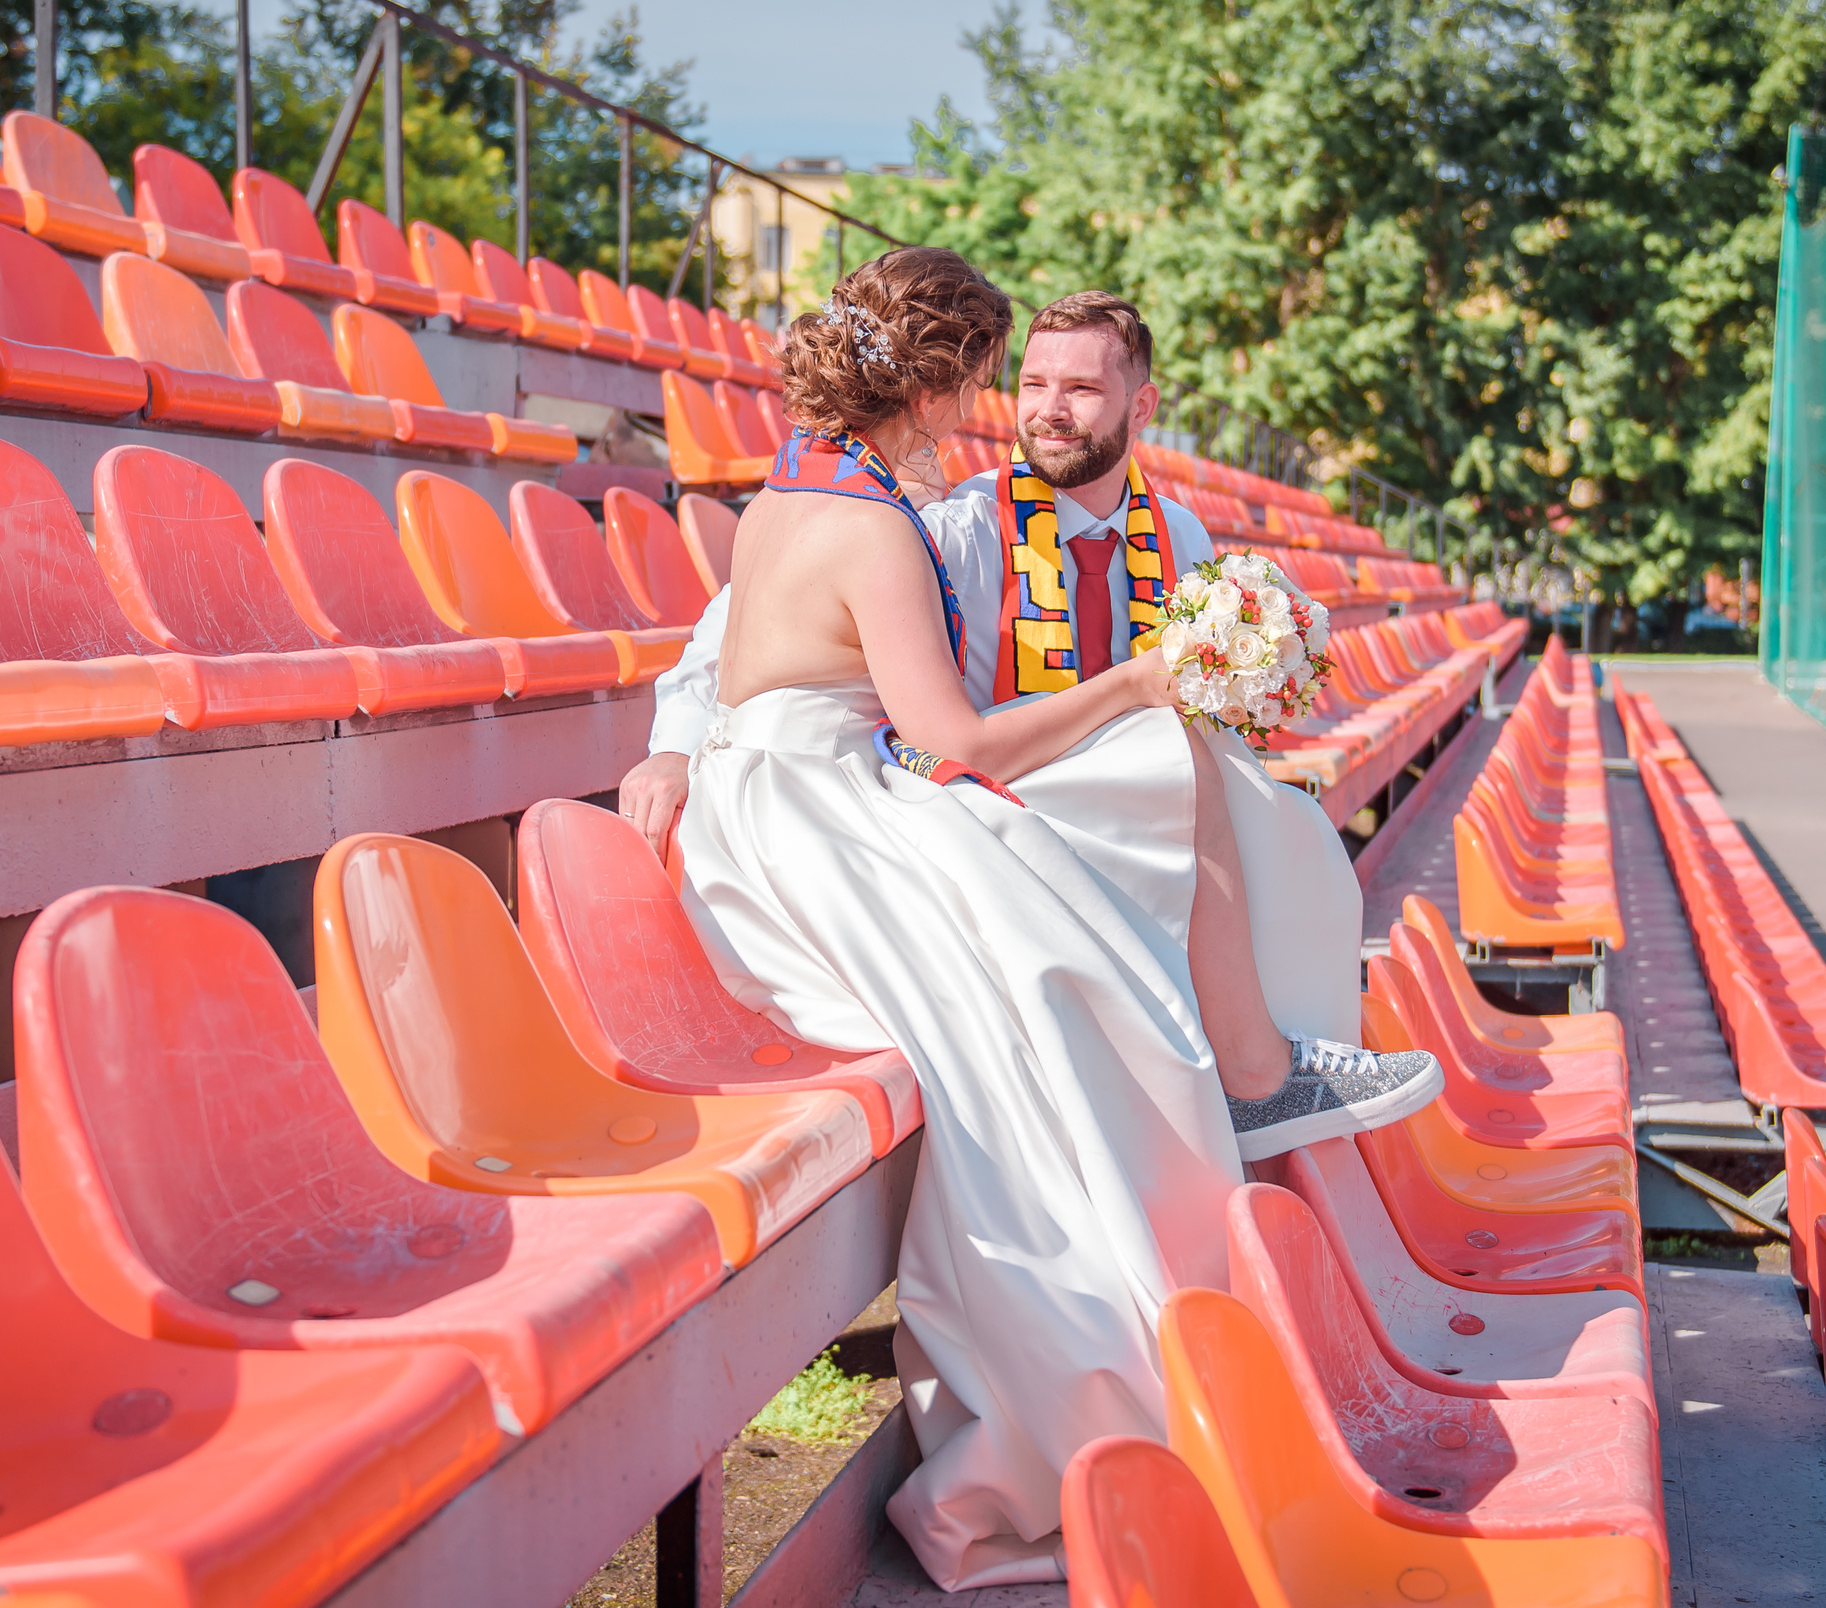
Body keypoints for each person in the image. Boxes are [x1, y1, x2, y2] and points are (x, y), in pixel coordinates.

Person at [675, 247, 1439, 1589]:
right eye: (993, 381)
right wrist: (1144, 683)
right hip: (828, 818)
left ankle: (1248, 1097)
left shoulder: (805, 484)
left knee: (1167, 848)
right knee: (1051, 1003)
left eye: (1052, 384)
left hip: (822, 797)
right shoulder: (899, 521)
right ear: (933, 384)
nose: (999, 410)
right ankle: (1123, 1346)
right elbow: (942, 731)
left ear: (1138, 405)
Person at [617, 289, 1216, 852]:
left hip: (1136, 792)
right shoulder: (958, 520)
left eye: (1082, 388)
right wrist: (675, 747)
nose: (1049, 411)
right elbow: (743, 618)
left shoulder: (1182, 538)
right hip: (1006, 807)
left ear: (1141, 407)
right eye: (1033, 385)